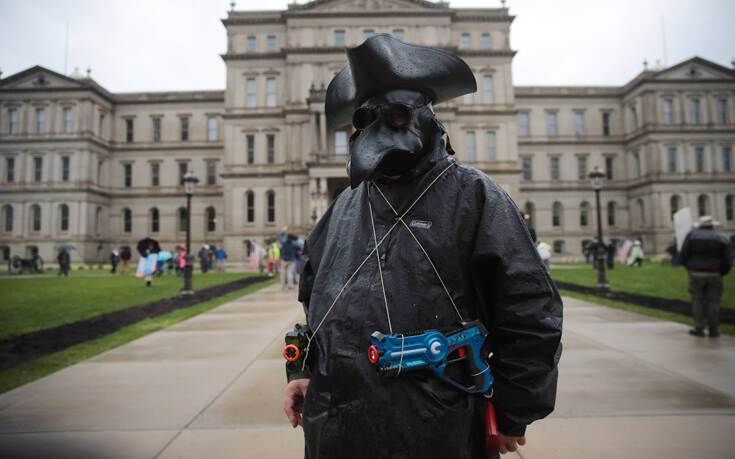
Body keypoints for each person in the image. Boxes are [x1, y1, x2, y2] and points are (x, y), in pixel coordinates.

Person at [283, 35, 562, 458]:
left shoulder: (475, 197)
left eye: (396, 114)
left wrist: (511, 411)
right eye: (366, 118)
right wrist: (301, 370)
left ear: (425, 119)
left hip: (435, 426)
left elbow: (529, 312)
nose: (379, 130)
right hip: (335, 428)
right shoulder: (342, 207)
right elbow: (314, 300)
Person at [679, 216, 732, 338]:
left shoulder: (692, 235)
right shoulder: (721, 237)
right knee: (714, 301)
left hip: (696, 272)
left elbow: (684, 254)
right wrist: (722, 272)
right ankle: (713, 329)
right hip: (714, 272)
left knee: (697, 300)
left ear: (700, 225)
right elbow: (728, 259)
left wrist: (688, 267)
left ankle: (699, 328)